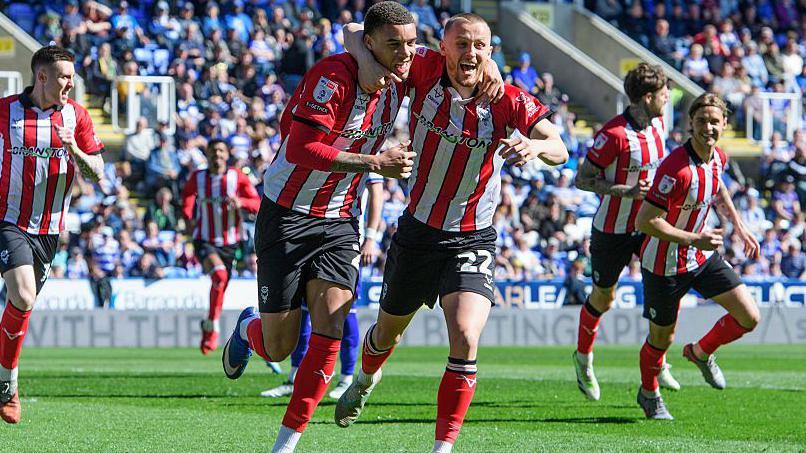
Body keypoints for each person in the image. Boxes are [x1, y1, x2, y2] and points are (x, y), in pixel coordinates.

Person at [337, 13, 567, 453]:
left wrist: (535, 146)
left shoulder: (507, 99)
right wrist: (366, 62)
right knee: (386, 335)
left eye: (480, 45)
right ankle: (365, 378)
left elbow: (558, 145)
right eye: (461, 44)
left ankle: (443, 447)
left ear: (491, 51)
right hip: (418, 232)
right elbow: (353, 31)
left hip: (472, 238)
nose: (471, 53)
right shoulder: (421, 68)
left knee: (464, 335)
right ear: (442, 48)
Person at [219, 4, 417, 452]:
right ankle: (250, 328)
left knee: (330, 329)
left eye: (410, 42)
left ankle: (285, 446)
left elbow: (357, 29)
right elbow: (305, 147)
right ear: (371, 44)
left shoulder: (404, 65)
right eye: (394, 44)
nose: (406, 52)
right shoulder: (333, 77)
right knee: (279, 347)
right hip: (287, 213)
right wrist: (374, 163)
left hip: (340, 220)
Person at [635, 93, 761, 420]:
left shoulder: (717, 157)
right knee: (660, 340)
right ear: (690, 123)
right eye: (702, 121)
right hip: (664, 265)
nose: (708, 127)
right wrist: (696, 238)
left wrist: (739, 225)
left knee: (749, 316)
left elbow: (718, 189)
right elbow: (645, 221)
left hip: (700, 258)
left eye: (714, 121)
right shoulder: (674, 168)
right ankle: (649, 393)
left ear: (724, 125)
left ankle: (701, 352)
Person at [0, 46, 105, 424]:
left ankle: (2, 379)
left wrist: (72, 147)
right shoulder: (5, 111)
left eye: (72, 77)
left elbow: (97, 172)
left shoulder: (76, 116)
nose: (70, 83)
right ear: (41, 77)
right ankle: (8, 384)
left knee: (21, 305)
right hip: (8, 221)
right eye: (63, 76)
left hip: (49, 231)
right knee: (23, 295)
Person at [572, 63, 679, 401]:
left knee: (663, 292)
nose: (667, 99)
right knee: (605, 298)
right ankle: (583, 358)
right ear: (647, 98)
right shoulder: (614, 135)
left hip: (650, 226)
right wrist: (625, 191)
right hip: (612, 229)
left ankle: (658, 361)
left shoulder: (660, 124)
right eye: (663, 94)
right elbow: (583, 179)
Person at [260, 174, 384, 399]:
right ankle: (295, 375)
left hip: (345, 238)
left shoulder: (367, 142)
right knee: (303, 312)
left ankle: (346, 377)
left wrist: (372, 238)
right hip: (306, 232)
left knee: (342, 312)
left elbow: (376, 191)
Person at [181, 140, 261, 355]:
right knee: (219, 275)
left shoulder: (237, 177)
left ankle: (209, 323)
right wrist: (188, 217)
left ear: (227, 155)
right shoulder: (198, 177)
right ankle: (214, 328)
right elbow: (187, 197)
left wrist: (242, 203)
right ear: (207, 154)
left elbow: (257, 203)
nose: (217, 154)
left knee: (221, 284)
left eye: (221, 150)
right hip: (204, 239)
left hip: (230, 242)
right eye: (213, 150)